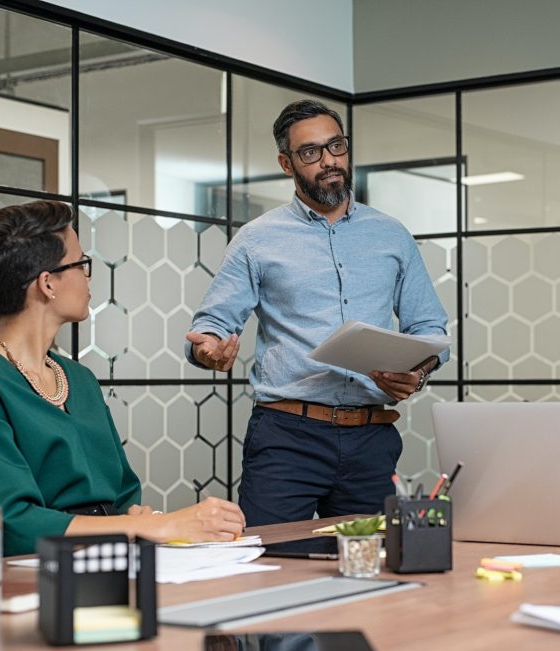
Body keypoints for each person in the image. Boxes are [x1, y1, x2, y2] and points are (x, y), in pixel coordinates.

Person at [185, 99, 449, 526]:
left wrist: (417, 371)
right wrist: (208, 350)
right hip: (287, 437)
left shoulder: (392, 235)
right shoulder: (257, 239)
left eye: (336, 146)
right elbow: (212, 326)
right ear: (286, 164)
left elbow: (429, 327)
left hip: (372, 437)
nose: (329, 161)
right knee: (267, 565)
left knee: (376, 570)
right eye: (310, 152)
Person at [0, 201, 245, 556]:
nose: (88, 275)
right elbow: (12, 523)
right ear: (47, 283)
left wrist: (143, 519)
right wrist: (154, 524)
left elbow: (124, 494)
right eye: (81, 263)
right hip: (37, 573)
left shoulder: (78, 379)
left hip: (111, 559)